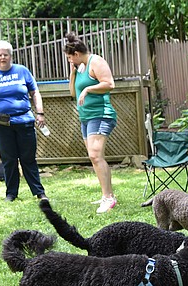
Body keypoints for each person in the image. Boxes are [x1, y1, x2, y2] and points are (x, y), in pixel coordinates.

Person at [0, 40, 47, 202]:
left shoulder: (22, 71)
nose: (3, 57)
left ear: (10, 55)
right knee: (8, 159)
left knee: (28, 158)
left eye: (5, 54)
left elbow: (35, 93)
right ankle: (11, 194)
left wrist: (39, 112)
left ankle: (39, 192)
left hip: (24, 120)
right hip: (0, 124)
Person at [63, 32, 118, 213]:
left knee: (95, 156)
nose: (70, 61)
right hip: (85, 117)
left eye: (70, 58)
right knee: (95, 158)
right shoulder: (80, 68)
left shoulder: (96, 62)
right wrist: (73, 74)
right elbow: (72, 93)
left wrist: (88, 88)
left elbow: (109, 84)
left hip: (100, 114)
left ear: (77, 54)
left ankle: (108, 198)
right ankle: (108, 195)